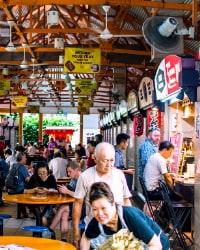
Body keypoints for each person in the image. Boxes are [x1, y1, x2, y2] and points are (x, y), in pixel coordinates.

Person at [72, 142, 132, 249]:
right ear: (95, 158)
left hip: (118, 232)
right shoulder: (85, 177)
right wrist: (76, 232)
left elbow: (126, 201)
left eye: (112, 160)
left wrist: (131, 226)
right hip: (94, 232)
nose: (109, 164)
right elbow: (78, 203)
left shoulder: (119, 175)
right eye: (105, 160)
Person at [80, 182, 170, 250]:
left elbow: (156, 245)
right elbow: (86, 236)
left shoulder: (130, 216)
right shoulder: (97, 221)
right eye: (95, 209)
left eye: (103, 208)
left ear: (113, 205)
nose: (99, 213)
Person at [49, 160, 84, 241]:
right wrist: (62, 190)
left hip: (85, 207)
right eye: (67, 172)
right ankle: (63, 240)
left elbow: (82, 197)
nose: (68, 174)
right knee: (64, 213)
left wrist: (67, 191)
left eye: (70, 171)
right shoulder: (74, 179)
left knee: (64, 207)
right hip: (77, 205)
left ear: (77, 170)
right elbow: (71, 192)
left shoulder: (83, 179)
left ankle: (50, 228)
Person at [7, 152, 30, 218]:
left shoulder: (14, 165)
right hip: (18, 189)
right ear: (22, 159)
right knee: (28, 193)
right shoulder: (22, 167)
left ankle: (24, 214)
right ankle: (30, 213)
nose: (26, 159)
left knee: (21, 197)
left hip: (11, 189)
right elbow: (28, 179)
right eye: (25, 158)